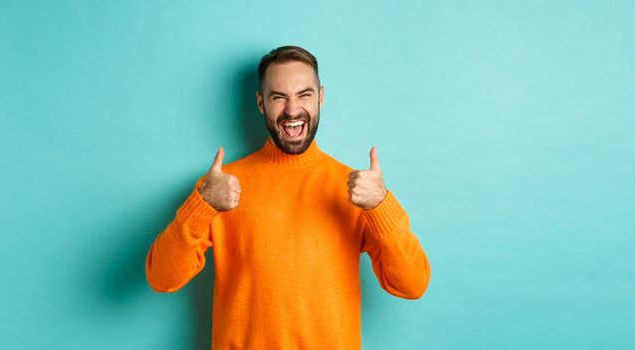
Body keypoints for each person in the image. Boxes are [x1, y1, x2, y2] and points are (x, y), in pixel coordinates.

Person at [146, 45, 431, 349]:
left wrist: (381, 205)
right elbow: (162, 278)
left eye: (304, 95)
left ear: (321, 97)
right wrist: (201, 205)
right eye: (278, 97)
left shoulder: (356, 188)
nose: (292, 110)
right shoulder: (220, 186)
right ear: (260, 103)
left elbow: (412, 285)